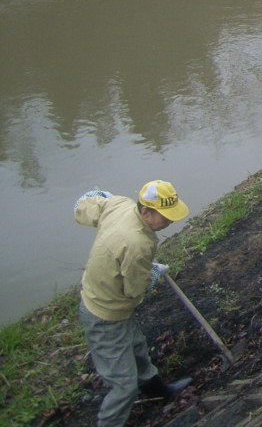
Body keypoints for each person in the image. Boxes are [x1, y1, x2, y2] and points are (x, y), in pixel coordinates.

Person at [74, 180, 193, 427]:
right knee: (123, 385)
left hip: (105, 294)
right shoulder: (138, 243)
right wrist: (154, 273)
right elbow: (134, 290)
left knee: (137, 346)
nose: (170, 221)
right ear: (145, 211)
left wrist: (91, 197)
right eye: (164, 216)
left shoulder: (120, 204)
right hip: (105, 313)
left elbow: (92, 202)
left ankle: (157, 390)